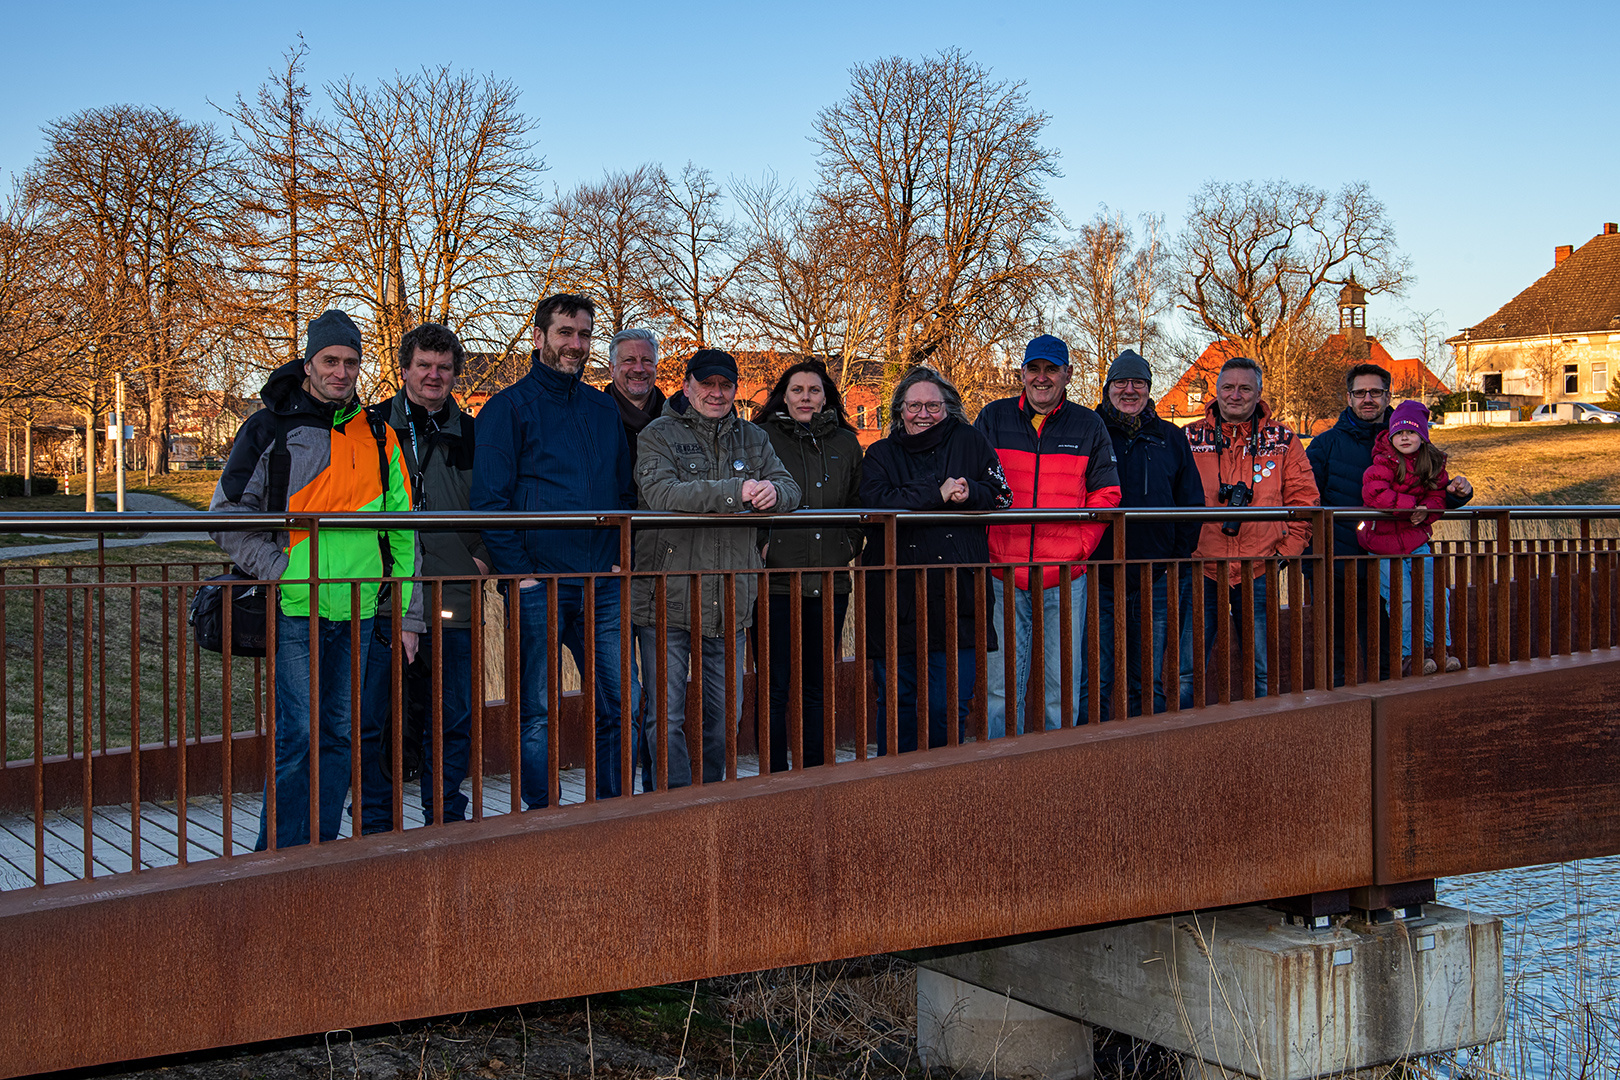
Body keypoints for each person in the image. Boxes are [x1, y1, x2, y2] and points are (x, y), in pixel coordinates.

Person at [209, 309, 419, 849]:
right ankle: (275, 855)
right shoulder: (268, 427)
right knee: (297, 737)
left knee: (341, 738)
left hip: (361, 609)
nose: (342, 371)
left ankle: (319, 854)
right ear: (309, 362)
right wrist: (280, 569)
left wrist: (404, 609)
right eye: (331, 360)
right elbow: (226, 513)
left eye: (351, 361)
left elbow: (404, 531)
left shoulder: (380, 434)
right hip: (296, 607)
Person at [471, 294, 634, 808]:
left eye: (584, 335)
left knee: (620, 704)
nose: (575, 344)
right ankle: (543, 815)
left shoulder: (602, 408)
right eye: (565, 332)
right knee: (536, 709)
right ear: (539, 336)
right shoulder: (507, 409)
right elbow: (489, 504)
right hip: (538, 585)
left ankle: (611, 808)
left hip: (601, 586)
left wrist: (618, 558)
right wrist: (521, 575)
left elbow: (623, 492)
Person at [632, 348, 800, 788]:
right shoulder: (657, 435)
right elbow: (663, 493)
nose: (717, 393)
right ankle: (671, 799)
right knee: (664, 714)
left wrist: (773, 496)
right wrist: (738, 491)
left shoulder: (754, 438)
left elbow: (788, 487)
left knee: (727, 713)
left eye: (726, 385)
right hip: (666, 597)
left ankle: (709, 795)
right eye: (707, 384)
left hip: (731, 598)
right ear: (687, 386)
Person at [356, 323, 488, 832]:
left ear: (455, 372)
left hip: (454, 592)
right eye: (424, 366)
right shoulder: (370, 427)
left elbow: (494, 503)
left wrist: (482, 560)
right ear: (405, 369)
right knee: (380, 718)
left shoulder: (474, 432)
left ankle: (444, 818)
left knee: (452, 719)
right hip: (385, 596)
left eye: (444, 367)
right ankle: (374, 820)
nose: (434, 375)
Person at [974, 334, 1120, 734]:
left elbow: (1107, 495)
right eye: (1034, 369)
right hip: (1003, 573)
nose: (1042, 378)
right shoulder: (993, 417)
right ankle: (1003, 766)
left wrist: (1078, 550)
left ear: (1067, 375)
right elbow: (974, 481)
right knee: (1001, 686)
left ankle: (1058, 772)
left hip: (1065, 576)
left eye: (1051, 370)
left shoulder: (1088, 424)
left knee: (1062, 684)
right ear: (1021, 373)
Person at [860, 367, 1011, 754]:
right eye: (914, 405)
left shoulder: (971, 442)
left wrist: (969, 490)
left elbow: (1002, 496)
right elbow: (875, 503)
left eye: (933, 405)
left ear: (948, 407)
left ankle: (944, 787)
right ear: (899, 410)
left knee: (949, 703)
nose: (923, 413)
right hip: (897, 595)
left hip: (958, 592)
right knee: (897, 701)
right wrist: (937, 491)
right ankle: (893, 782)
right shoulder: (880, 453)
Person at [1306, 364, 1474, 684]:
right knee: (1335, 655)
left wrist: (1456, 496)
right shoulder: (1325, 445)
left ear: (1388, 395)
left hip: (1394, 559)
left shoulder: (1410, 440)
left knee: (1391, 653)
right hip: (1338, 564)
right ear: (1348, 397)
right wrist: (1310, 557)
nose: (1367, 399)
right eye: (1360, 393)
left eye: (1375, 392)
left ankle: (1394, 720)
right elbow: (1304, 501)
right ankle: (1339, 721)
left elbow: (1432, 490)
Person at [1180, 356, 1318, 705]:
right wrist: (1180, 549)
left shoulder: (1283, 439)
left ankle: (1268, 735)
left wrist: (1285, 553)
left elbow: (1305, 501)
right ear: (1216, 391)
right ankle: (1180, 736)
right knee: (1187, 667)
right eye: (1228, 387)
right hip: (1201, 566)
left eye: (1245, 388)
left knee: (1263, 667)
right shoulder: (1188, 437)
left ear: (1259, 393)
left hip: (1260, 566)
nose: (1235, 395)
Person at [753, 360, 864, 772]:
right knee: (775, 686)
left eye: (813, 390)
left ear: (826, 396)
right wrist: (763, 546)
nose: (805, 397)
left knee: (818, 685)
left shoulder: (846, 444)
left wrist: (846, 546)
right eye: (796, 390)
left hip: (830, 581)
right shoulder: (761, 438)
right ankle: (773, 774)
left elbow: (858, 505)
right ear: (784, 394)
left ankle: (816, 770)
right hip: (776, 582)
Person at [1089, 350, 1204, 719]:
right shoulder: (1088, 429)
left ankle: (1146, 746)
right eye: (1121, 382)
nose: (1129, 390)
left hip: (1154, 574)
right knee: (1097, 673)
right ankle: (1094, 745)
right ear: (1107, 388)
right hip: (1098, 573)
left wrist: (1176, 557)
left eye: (1138, 382)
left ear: (1149, 388)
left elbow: (1191, 500)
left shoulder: (1169, 436)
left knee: (1149, 673)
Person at [1359, 400, 1461, 674]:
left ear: (1423, 436)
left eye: (1412, 432)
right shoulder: (1382, 463)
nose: (1405, 437)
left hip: (1416, 542)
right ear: (1391, 436)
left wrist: (1426, 510)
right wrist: (1411, 508)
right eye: (1399, 432)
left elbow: (1438, 496)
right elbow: (1375, 493)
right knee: (1402, 597)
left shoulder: (1432, 465)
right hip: (1382, 547)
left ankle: (1437, 649)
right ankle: (1407, 655)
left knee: (1434, 593)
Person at [604, 328, 666, 474]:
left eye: (647, 360)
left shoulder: (676, 421)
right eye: (629, 360)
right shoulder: (592, 420)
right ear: (612, 368)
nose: (639, 369)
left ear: (656, 368)